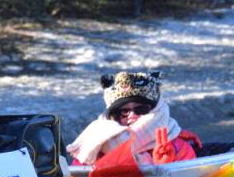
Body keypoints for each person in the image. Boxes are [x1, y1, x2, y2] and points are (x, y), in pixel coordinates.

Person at [67, 71, 200, 166]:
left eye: (140, 109)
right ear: (114, 114)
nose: (131, 115)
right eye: (124, 111)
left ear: (154, 110)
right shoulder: (95, 144)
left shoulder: (177, 145)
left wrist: (164, 168)